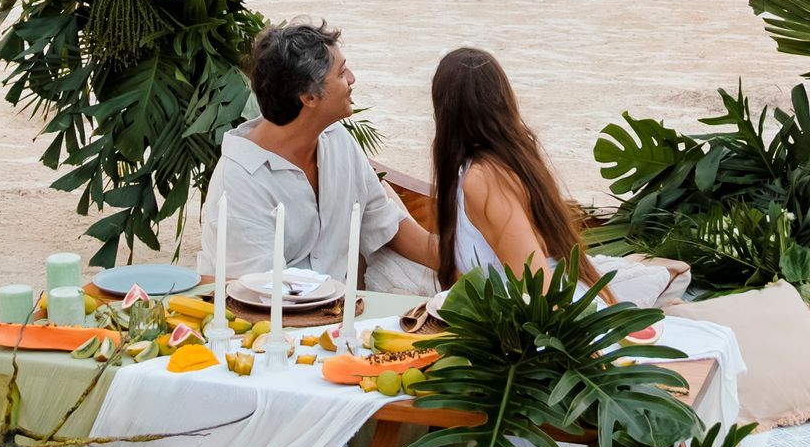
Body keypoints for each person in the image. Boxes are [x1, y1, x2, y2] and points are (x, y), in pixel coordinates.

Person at [202, 22, 438, 296]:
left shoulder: (338, 141)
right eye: (341, 73)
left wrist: (461, 266)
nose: (352, 79)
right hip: (272, 325)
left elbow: (386, 223)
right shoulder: (239, 180)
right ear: (309, 97)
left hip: (339, 316)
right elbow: (261, 294)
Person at [429, 44, 601, 290]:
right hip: (553, 311)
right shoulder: (508, 162)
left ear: (443, 111)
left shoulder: (485, 178)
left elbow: (539, 289)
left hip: (558, 320)